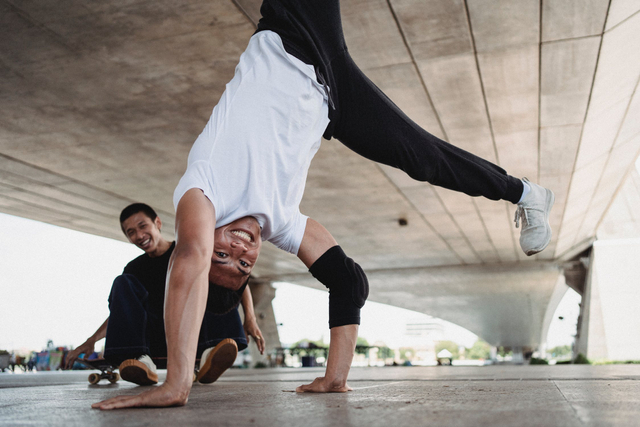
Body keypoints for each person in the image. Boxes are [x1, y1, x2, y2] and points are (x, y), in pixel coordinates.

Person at [93, 0, 553, 409]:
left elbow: (187, 263)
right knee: (423, 158)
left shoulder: (204, 188)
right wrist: (336, 378)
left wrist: (177, 383)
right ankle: (527, 193)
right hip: (336, 93)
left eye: (223, 254)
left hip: (294, 27)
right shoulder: (283, 223)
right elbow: (348, 282)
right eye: (244, 265)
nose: (241, 250)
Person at [67, 203, 265, 385]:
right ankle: (140, 361)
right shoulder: (134, 269)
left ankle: (210, 354)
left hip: (192, 333)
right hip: (155, 340)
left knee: (211, 267)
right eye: (131, 232)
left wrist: (250, 318)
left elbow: (233, 280)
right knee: (122, 281)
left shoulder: (187, 249)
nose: (139, 235)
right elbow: (123, 313)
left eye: (143, 226)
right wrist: (91, 340)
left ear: (157, 223)